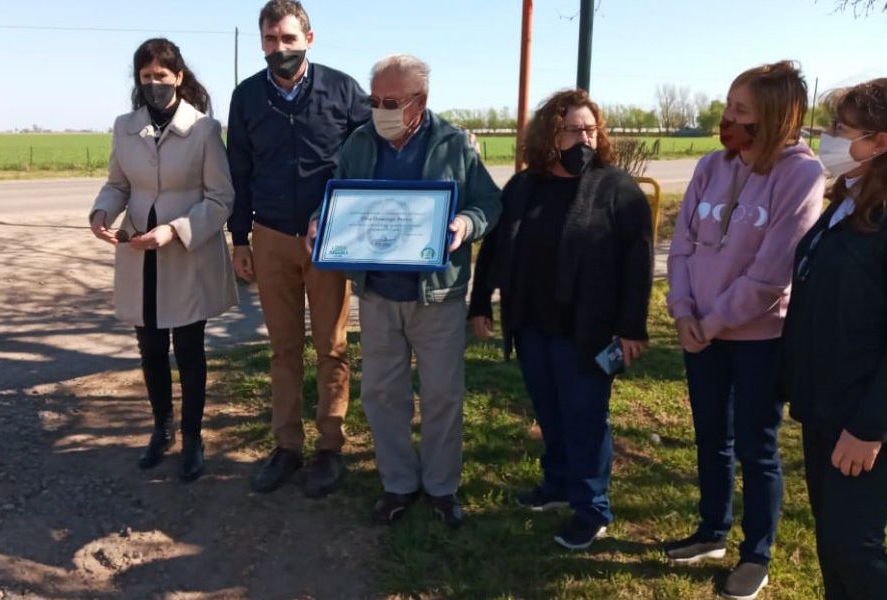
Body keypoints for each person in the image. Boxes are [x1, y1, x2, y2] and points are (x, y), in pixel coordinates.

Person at [307, 54, 501, 527]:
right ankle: (398, 483)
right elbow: (339, 195)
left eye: (391, 101)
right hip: (376, 295)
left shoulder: (455, 144)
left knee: (441, 396)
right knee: (382, 393)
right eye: (374, 100)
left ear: (421, 101)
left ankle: (440, 487)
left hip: (437, 296)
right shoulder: (358, 143)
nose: (380, 110)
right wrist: (321, 220)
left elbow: (490, 201)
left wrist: (465, 222)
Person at [664, 60, 825, 599]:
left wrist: (711, 321)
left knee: (756, 447)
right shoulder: (712, 165)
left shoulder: (802, 175)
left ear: (777, 117)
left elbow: (771, 274)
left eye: (740, 110)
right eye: (728, 106)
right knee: (711, 437)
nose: (726, 118)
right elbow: (681, 246)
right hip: (698, 333)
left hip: (758, 339)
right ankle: (712, 530)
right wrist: (684, 310)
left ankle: (756, 552)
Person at [468, 89, 653, 550]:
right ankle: (556, 485)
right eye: (573, 129)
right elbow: (494, 247)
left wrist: (631, 328)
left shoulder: (616, 187)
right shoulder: (523, 186)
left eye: (590, 129)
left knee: (585, 416)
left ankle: (593, 507)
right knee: (549, 408)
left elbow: (638, 262)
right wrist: (479, 302)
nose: (584, 138)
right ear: (550, 134)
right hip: (531, 322)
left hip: (587, 330)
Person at [226, 0, 371, 497]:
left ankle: (329, 448)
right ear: (262, 42)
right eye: (271, 40)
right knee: (283, 347)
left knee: (331, 347)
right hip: (269, 236)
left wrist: (343, 214)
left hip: (329, 238)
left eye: (288, 39)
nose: (279, 49)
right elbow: (238, 171)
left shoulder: (343, 90)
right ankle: (287, 446)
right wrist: (239, 238)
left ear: (309, 39)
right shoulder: (246, 97)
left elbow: (366, 156)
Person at [89, 38, 237, 481]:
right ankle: (162, 429)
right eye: (146, 76)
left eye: (162, 75)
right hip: (139, 256)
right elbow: (118, 184)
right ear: (138, 79)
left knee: (189, 349)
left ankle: (193, 437)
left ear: (179, 77)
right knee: (151, 348)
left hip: (186, 255)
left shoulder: (205, 130)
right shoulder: (125, 126)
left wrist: (175, 230)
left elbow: (221, 197)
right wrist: (101, 213)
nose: (154, 84)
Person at [780, 78, 887, 600]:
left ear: (880, 142)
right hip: (826, 407)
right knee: (832, 544)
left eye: (840, 128)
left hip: (867, 420)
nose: (827, 136)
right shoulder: (849, 202)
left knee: (854, 546)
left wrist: (870, 427)